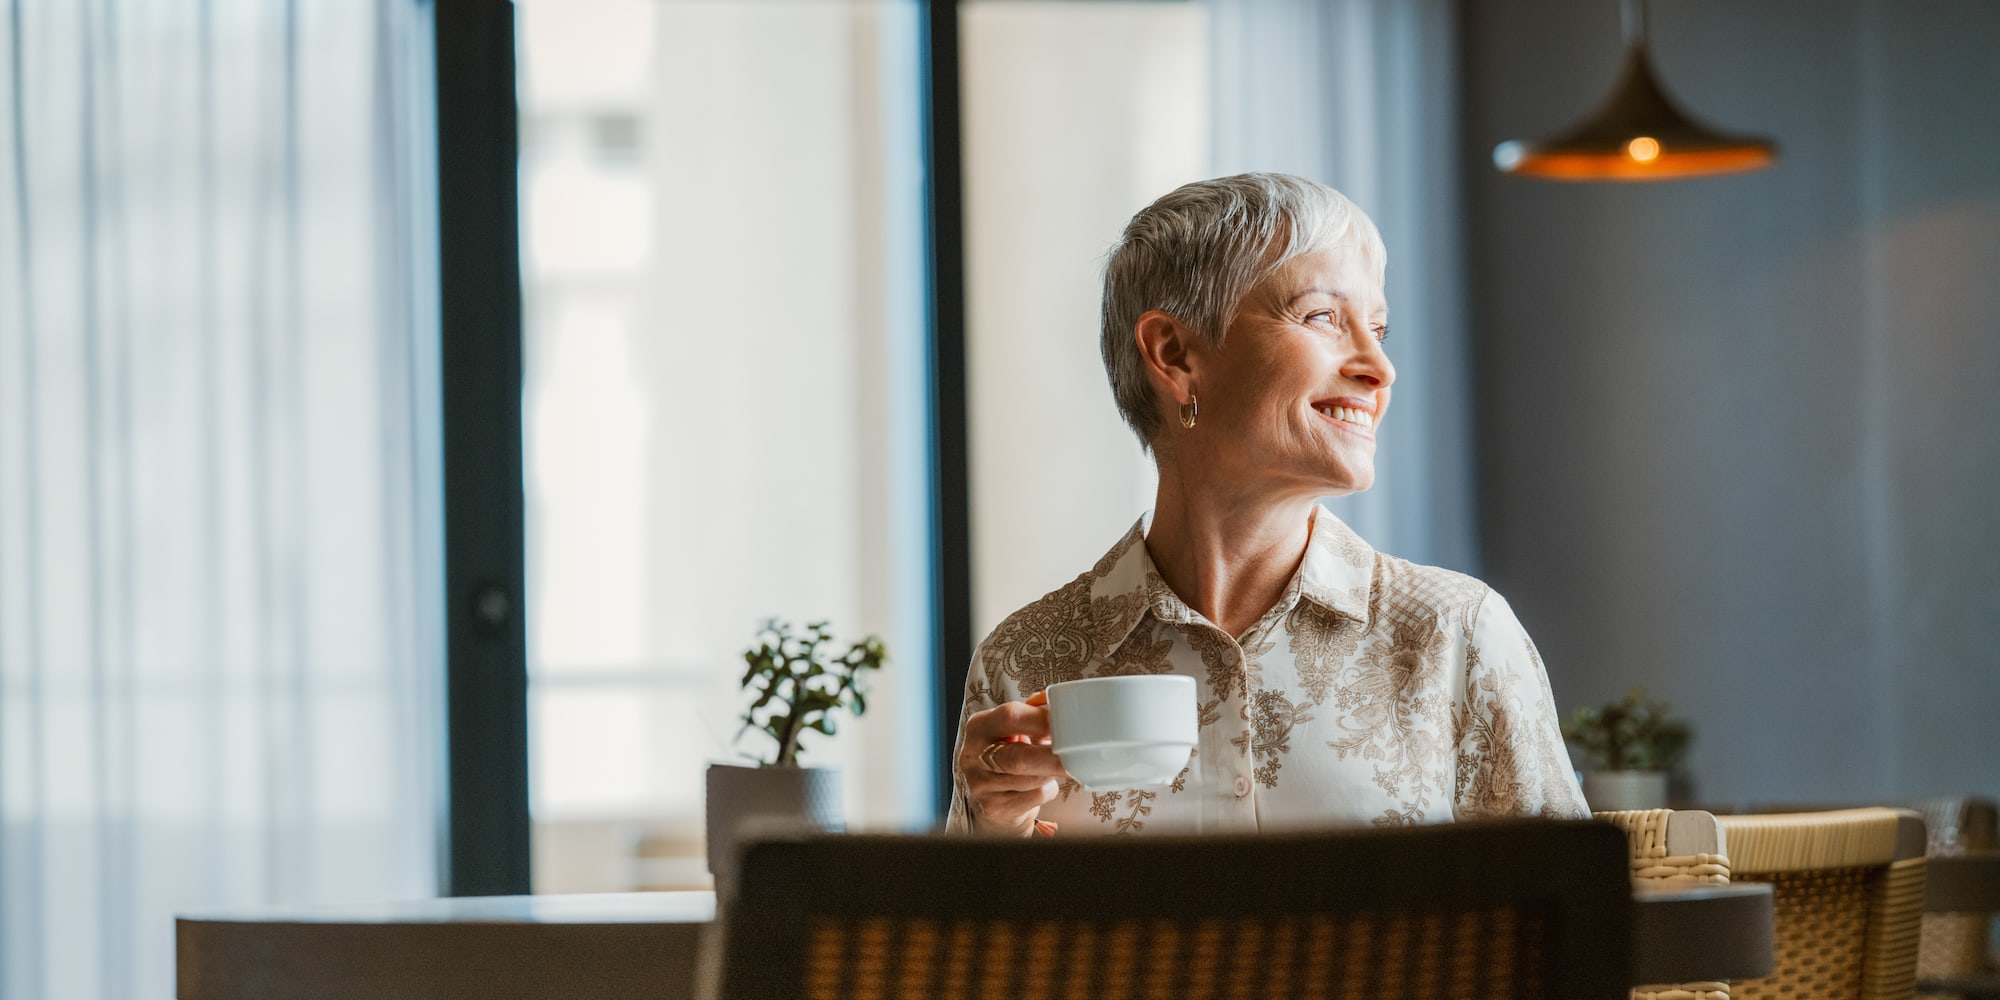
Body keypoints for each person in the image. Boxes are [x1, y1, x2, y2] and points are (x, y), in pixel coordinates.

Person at [946, 173, 1588, 837]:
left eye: (1379, 330)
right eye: (1322, 318)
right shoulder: (1025, 661)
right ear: (1173, 354)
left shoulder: (1455, 634)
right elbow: (968, 940)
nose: (1379, 368)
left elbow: (1569, 927)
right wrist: (993, 828)